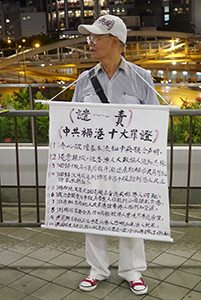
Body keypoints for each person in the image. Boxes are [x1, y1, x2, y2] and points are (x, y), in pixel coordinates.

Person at [72, 14, 159, 296]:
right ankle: (97, 268)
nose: (91, 42)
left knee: (129, 215)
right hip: (93, 164)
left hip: (129, 165)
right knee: (93, 216)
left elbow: (153, 123)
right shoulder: (84, 80)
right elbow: (74, 122)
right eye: (90, 37)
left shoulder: (141, 78)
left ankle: (132, 271)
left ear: (115, 42)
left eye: (96, 37)